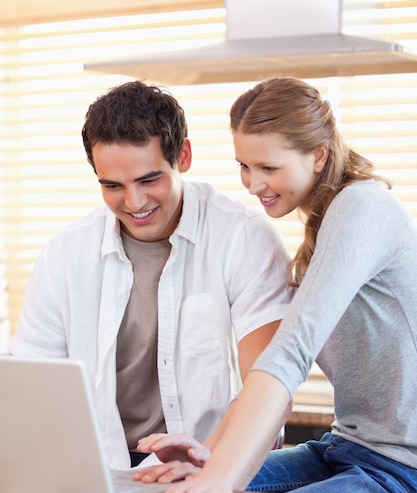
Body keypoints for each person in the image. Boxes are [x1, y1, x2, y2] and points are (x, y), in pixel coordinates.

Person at [135, 75, 417, 493]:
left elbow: (288, 355)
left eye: (269, 168)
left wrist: (221, 476)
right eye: (244, 166)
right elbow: (267, 371)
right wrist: (209, 457)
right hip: (342, 447)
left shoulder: (363, 208)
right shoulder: (325, 225)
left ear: (319, 155)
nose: (252, 184)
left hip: (403, 470)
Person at [10, 80, 292, 470]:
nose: (134, 202)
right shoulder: (65, 254)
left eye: (148, 180)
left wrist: (208, 465)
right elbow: (32, 387)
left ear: (184, 156)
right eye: (112, 186)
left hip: (205, 464)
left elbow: (268, 383)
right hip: (96, 468)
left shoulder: (243, 239)